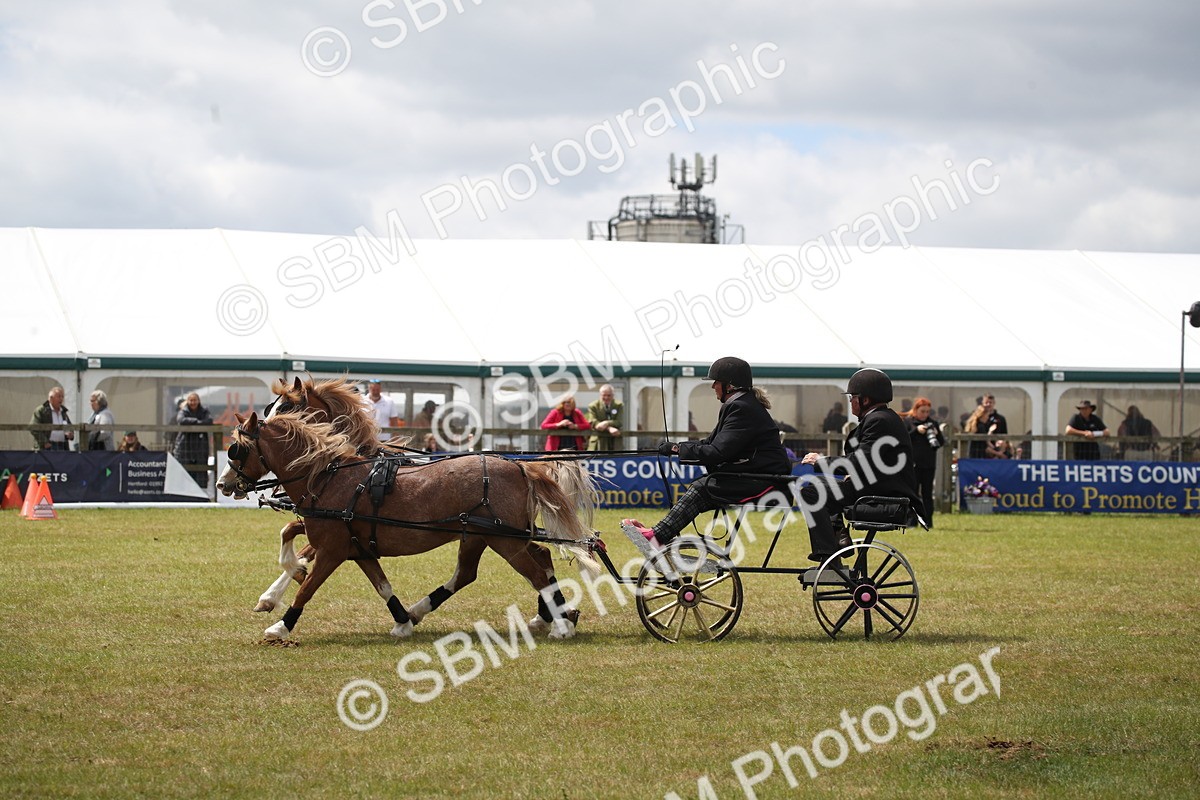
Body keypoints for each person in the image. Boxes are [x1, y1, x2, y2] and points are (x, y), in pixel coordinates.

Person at [621, 357, 790, 557]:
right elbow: (710, 443)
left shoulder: (743, 408)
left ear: (730, 385)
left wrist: (677, 450)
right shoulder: (740, 405)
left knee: (703, 487)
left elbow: (718, 452)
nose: (713, 386)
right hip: (757, 475)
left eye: (716, 382)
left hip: (767, 482)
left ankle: (658, 536)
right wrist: (677, 448)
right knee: (703, 486)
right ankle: (662, 535)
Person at [798, 368, 921, 563]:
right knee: (817, 484)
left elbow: (859, 461)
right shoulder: (884, 418)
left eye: (852, 397)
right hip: (880, 486)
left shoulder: (878, 421)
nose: (850, 402)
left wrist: (820, 461)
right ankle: (839, 537)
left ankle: (827, 554)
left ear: (865, 400)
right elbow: (872, 461)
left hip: (882, 493)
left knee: (810, 492)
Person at [902, 396, 945, 527]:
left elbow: (941, 442)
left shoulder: (932, 423)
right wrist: (916, 430)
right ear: (916, 410)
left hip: (928, 465)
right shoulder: (908, 422)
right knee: (912, 493)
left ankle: (927, 521)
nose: (925, 414)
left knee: (927, 494)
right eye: (922, 411)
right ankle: (911, 521)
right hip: (913, 464)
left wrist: (936, 433)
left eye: (927, 412)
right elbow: (903, 440)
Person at [174, 392, 214, 487]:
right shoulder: (183, 411)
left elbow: (209, 421)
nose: (193, 402)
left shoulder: (204, 411)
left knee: (201, 475)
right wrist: (197, 421)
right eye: (191, 400)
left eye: (195, 400)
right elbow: (181, 420)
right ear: (187, 401)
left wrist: (192, 423)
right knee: (185, 474)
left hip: (200, 448)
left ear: (198, 401)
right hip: (185, 448)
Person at [965, 394, 1007, 459]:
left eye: (990, 402)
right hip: (981, 453)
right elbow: (985, 441)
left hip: (990, 450)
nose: (988, 404)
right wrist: (997, 452)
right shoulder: (979, 425)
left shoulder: (1001, 419)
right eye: (986, 402)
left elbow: (1004, 435)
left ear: (994, 403)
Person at [31, 386, 73, 450]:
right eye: (59, 396)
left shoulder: (63, 412)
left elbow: (70, 426)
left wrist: (70, 434)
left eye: (62, 397)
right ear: (51, 398)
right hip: (47, 446)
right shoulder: (41, 411)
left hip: (62, 446)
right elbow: (34, 427)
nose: (61, 399)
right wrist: (44, 442)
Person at [586, 384, 624, 451]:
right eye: (604, 395)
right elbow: (593, 422)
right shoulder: (593, 406)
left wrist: (606, 423)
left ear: (613, 395)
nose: (606, 398)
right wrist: (609, 428)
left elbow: (619, 422)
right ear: (600, 395)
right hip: (597, 443)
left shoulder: (619, 405)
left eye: (609, 395)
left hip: (614, 442)